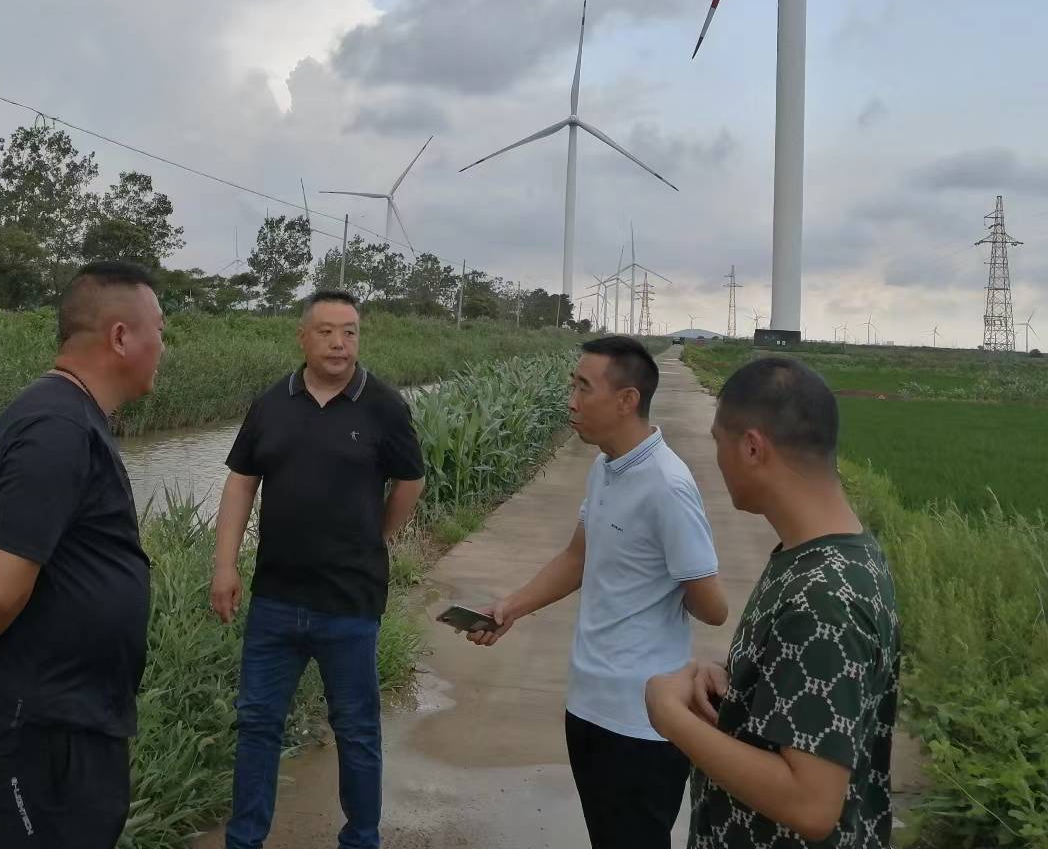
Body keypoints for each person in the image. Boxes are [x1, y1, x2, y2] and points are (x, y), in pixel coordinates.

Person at [0, 261, 166, 849]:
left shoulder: (73, 419)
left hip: (71, 721)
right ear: (121, 337)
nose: (163, 346)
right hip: (38, 726)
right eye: (159, 330)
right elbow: (0, 589)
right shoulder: (56, 428)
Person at [465, 334, 728, 849]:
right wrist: (510, 608)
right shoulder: (606, 466)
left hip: (642, 721)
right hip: (588, 704)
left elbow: (713, 606)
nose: (571, 400)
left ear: (626, 400)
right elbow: (578, 557)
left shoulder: (668, 485)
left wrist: (670, 583)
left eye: (583, 387)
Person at [646, 356, 901, 848]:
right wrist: (739, 684)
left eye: (718, 442)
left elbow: (811, 804)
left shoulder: (824, 599)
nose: (717, 459)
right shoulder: (823, 555)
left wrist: (668, 713)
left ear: (752, 447)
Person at [209, 290, 427, 849]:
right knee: (257, 724)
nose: (339, 343)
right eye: (327, 331)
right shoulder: (271, 403)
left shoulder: (383, 405)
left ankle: (360, 839)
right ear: (302, 337)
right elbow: (240, 483)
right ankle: (244, 840)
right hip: (274, 600)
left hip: (349, 603)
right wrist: (225, 566)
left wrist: (375, 538)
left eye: (350, 332)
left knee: (356, 730)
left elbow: (411, 480)